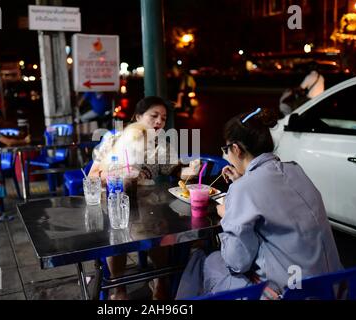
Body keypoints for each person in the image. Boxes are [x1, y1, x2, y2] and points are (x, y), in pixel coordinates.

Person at [176, 107, 342, 299]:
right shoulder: (296, 170)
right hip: (333, 287)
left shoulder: (244, 189)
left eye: (226, 149)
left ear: (236, 149)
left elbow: (237, 262)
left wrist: (232, 207)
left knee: (206, 260)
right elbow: (276, 200)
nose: (227, 155)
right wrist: (242, 181)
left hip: (291, 292)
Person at [88, 96, 200, 300]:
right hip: (115, 202)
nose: (159, 122)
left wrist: (191, 170)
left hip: (148, 206)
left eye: (164, 118)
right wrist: (115, 176)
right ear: (138, 116)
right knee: (117, 234)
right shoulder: (114, 140)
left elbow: (177, 172)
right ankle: (119, 290)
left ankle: (161, 282)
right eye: (154, 116)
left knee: (158, 228)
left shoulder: (160, 146)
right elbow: (93, 175)